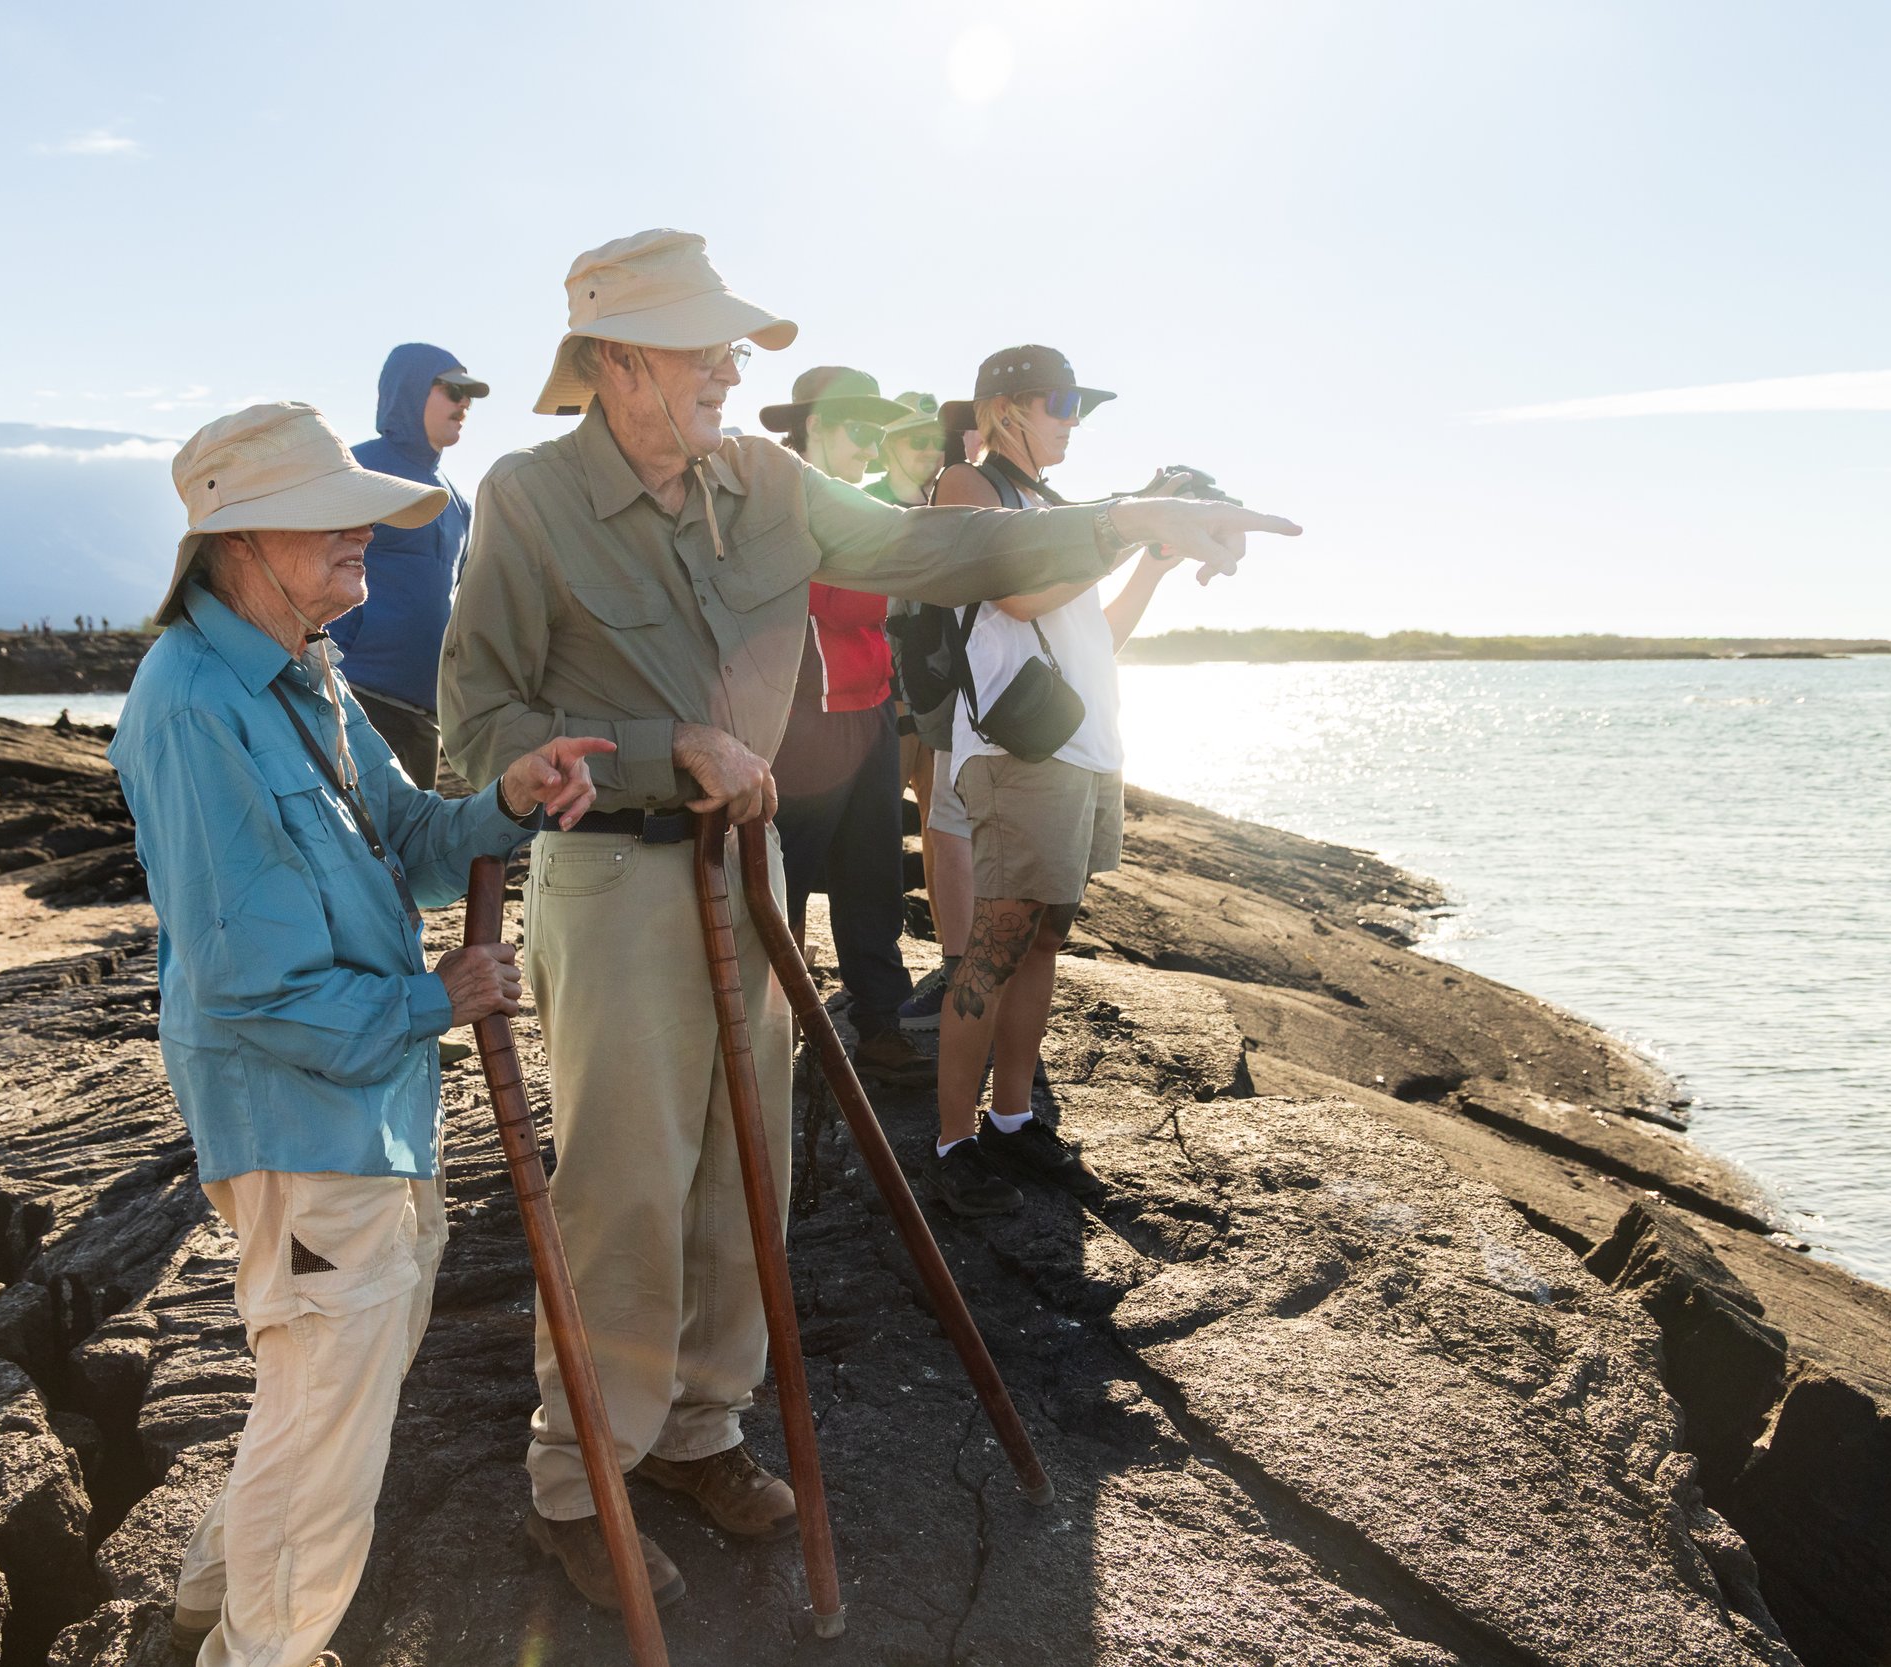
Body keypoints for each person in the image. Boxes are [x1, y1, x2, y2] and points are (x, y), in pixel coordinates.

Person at [439, 229, 1298, 1611]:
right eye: (701, 344)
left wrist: (1128, 520)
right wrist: (668, 750)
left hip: (744, 867)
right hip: (608, 883)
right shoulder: (527, 501)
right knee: (624, 1189)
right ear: (611, 361)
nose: (730, 367)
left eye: (732, 344)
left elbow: (936, 545)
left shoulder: (767, 478)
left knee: (748, 1168)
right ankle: (575, 1477)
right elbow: (474, 734)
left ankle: (698, 1430)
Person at [110, 401, 613, 1667]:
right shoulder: (189, 706)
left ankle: (194, 1622)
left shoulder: (304, 670)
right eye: (331, 520)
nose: (361, 541)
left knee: (315, 1409)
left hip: (365, 1107)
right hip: (301, 1115)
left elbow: (411, 844)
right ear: (241, 538)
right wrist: (437, 1000)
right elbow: (249, 988)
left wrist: (505, 798)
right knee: (328, 1445)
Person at [926, 346, 1220, 1218]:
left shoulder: (1064, 510)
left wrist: (1152, 560)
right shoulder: (969, 487)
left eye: (1077, 404)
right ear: (1005, 407)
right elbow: (1015, 598)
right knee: (994, 946)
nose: (1072, 420)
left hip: (1083, 749)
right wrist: (1130, 519)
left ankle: (1014, 1120)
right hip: (1019, 755)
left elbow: (1100, 637)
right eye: (1059, 402)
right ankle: (951, 1143)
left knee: (1044, 937)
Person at [760, 366, 934, 1087]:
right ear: (812, 429)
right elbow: (835, 598)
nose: (870, 443)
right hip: (799, 725)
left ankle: (880, 1024)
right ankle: (774, 1024)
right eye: (857, 428)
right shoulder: (778, 502)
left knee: (873, 877)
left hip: (868, 715)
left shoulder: (864, 507)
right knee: (784, 882)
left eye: (878, 430)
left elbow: (876, 602)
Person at [326, 344, 490, 788]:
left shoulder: (458, 501)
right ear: (412, 390)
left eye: (469, 395)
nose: (464, 404)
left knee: (410, 854)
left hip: (424, 715)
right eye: (454, 390)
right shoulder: (355, 470)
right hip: (354, 703)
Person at [871, 392, 974, 1031]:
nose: (928, 451)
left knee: (943, 829)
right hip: (879, 701)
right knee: (877, 836)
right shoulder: (864, 507)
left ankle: (951, 957)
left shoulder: (947, 505)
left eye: (934, 440)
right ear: (888, 447)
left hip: (936, 699)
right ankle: (878, 973)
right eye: (914, 440)